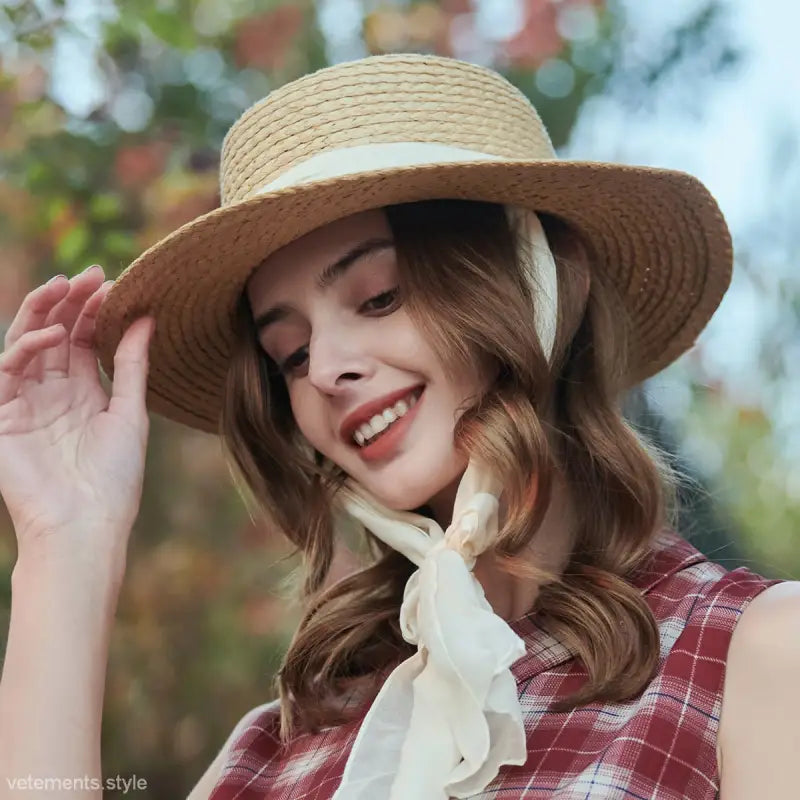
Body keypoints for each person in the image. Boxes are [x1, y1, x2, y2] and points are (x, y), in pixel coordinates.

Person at [0, 53, 797, 800]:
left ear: (536, 287)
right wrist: (67, 542)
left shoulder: (746, 653)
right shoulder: (275, 750)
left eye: (379, 297)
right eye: (290, 353)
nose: (323, 369)